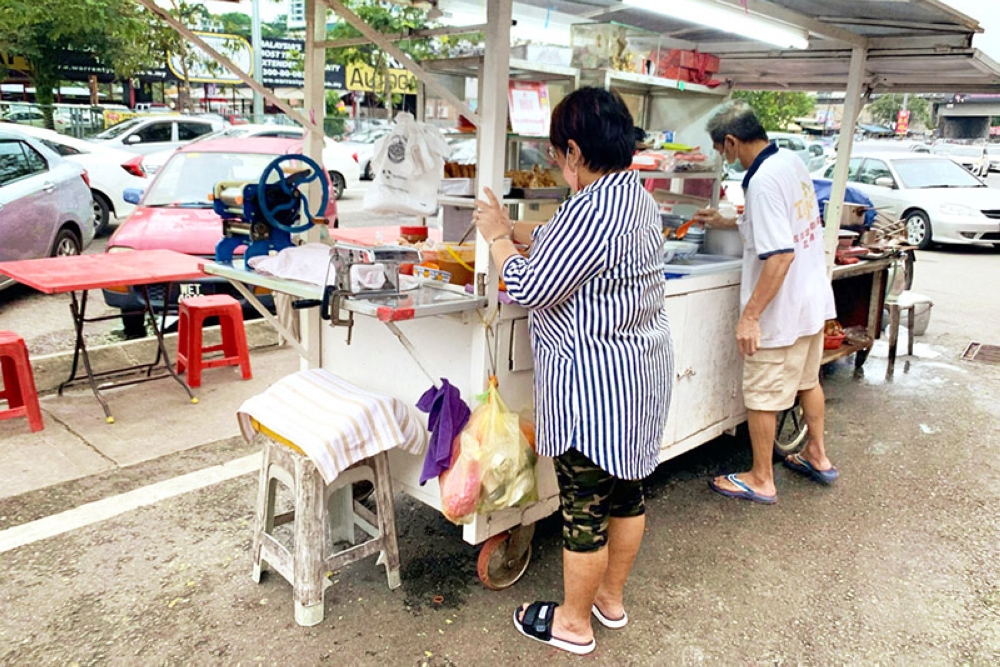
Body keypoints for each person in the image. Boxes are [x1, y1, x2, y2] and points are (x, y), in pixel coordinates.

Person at [473, 87, 673, 656]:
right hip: (639, 378)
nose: (558, 163)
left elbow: (529, 285)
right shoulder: (633, 196)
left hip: (595, 387)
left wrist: (493, 237)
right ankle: (609, 601)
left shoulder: (591, 207)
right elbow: (566, 244)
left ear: (575, 151)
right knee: (628, 497)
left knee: (584, 509)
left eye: (559, 152)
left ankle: (573, 624)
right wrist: (517, 231)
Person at [692, 100, 839, 505]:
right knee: (808, 381)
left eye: (723, 150)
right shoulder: (789, 160)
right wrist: (728, 221)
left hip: (782, 310)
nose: (726, 158)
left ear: (734, 141)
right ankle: (817, 454)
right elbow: (781, 226)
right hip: (811, 301)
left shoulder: (760, 182)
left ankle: (761, 478)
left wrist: (750, 317)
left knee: (762, 397)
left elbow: (779, 255)